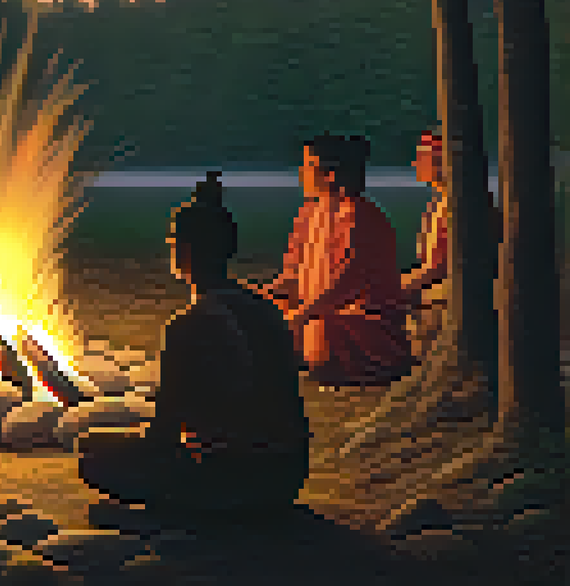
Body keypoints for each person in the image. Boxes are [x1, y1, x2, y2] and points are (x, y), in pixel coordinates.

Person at [80, 172, 310, 521]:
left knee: (93, 458)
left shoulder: (189, 324)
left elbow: (164, 434)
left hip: (231, 477)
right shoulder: (265, 308)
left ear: (183, 251)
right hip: (289, 474)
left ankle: (201, 507)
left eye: (174, 241)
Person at [258, 134, 415, 387]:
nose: (301, 172)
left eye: (307, 166)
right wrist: (262, 297)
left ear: (330, 174)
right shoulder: (309, 213)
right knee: (261, 309)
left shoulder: (361, 217)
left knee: (320, 332)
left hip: (360, 321)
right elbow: (292, 275)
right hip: (315, 309)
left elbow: (345, 287)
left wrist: (299, 317)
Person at [399, 129, 503, 359]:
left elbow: (439, 266)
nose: (415, 163)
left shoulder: (457, 207)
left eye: (422, 157)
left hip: (462, 286)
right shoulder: (441, 204)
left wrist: (392, 287)